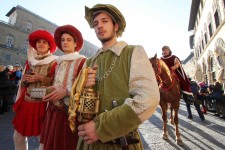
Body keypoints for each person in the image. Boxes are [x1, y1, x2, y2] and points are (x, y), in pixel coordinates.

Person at [73, 4, 160, 150]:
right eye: (95, 23)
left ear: (115, 26)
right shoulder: (88, 62)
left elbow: (148, 99)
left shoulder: (133, 52)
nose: (99, 26)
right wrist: (82, 87)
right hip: (87, 144)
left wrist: (102, 127)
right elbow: (74, 104)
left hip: (122, 143)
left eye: (105, 21)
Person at [40, 25, 86, 150]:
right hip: (53, 111)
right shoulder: (58, 62)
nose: (65, 42)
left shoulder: (83, 61)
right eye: (63, 40)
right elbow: (55, 84)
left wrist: (66, 91)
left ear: (76, 43)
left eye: (69, 40)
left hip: (69, 115)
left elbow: (86, 90)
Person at [12, 30, 58, 150]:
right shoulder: (30, 61)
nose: (41, 44)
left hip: (44, 104)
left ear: (49, 46)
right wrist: (25, 80)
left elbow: (57, 82)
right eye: (38, 42)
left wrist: (41, 78)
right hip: (27, 101)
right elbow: (24, 83)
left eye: (44, 42)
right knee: (18, 136)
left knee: (42, 139)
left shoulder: (55, 62)